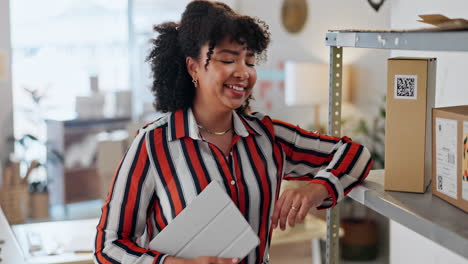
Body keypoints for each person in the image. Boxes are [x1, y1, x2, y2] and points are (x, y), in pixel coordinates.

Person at [94, 1, 373, 264]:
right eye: (228, 60)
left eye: (250, 62)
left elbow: (355, 154)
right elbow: (108, 247)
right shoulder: (154, 144)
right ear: (193, 67)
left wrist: (316, 189)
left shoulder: (268, 136)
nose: (243, 73)